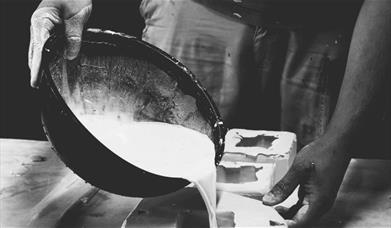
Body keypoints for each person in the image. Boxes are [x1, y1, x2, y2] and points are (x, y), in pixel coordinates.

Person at [28, 0, 390, 227]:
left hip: (323, 20)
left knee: (299, 203)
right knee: (154, 193)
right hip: (191, 11)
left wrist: (341, 137)